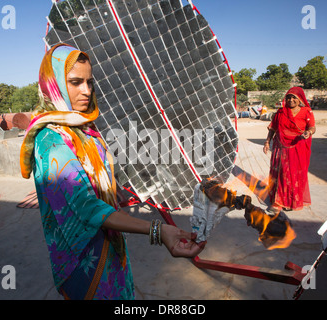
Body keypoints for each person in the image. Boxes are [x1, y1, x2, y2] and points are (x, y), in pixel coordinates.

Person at [20, 43, 205, 300]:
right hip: (84, 260)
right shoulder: (51, 141)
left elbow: (100, 182)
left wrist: (115, 189)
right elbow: (87, 208)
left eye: (89, 82)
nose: (86, 91)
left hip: (111, 248)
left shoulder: (86, 131)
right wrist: (158, 231)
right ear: (53, 84)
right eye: (75, 82)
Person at [262, 87, 316, 212]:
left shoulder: (307, 112)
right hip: (281, 147)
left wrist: (308, 132)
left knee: (294, 174)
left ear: (300, 99)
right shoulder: (281, 112)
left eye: (294, 98)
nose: (291, 100)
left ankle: (291, 201)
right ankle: (278, 202)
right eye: (288, 97)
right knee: (280, 173)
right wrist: (267, 142)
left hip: (298, 148)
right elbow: (272, 128)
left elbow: (312, 127)